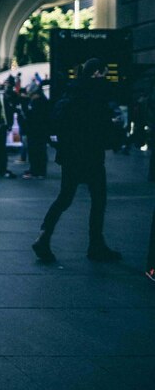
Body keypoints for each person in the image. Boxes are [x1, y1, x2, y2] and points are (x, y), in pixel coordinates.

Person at [32, 58, 122, 263]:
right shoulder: (96, 94)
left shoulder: (71, 91)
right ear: (97, 73)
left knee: (64, 198)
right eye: (104, 73)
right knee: (98, 200)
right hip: (91, 154)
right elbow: (101, 125)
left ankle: (44, 236)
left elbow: (58, 123)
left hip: (71, 156)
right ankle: (96, 244)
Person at [22, 87, 50, 179]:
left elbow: (32, 116)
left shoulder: (37, 103)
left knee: (36, 151)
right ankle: (38, 170)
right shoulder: (43, 102)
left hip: (35, 130)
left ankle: (37, 170)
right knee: (39, 151)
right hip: (39, 130)